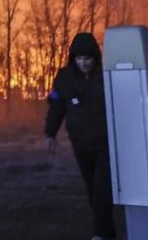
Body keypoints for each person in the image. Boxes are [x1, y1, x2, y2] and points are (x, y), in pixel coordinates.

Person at [45, 32, 116, 240]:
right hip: (81, 144)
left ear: (95, 57)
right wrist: (50, 133)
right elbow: (56, 107)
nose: (84, 63)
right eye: (79, 59)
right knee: (92, 189)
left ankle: (99, 234)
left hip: (106, 143)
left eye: (88, 58)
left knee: (102, 189)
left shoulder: (107, 76)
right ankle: (108, 233)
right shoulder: (65, 78)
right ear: (73, 59)